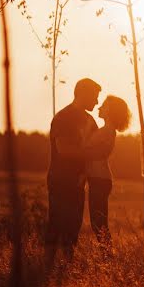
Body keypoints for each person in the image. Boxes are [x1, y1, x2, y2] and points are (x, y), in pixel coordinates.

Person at [45, 77, 100, 269]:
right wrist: (91, 154)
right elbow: (64, 150)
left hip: (78, 182)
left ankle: (66, 269)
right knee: (57, 224)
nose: (97, 102)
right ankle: (47, 269)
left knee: (73, 227)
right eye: (94, 97)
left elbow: (98, 147)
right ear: (83, 94)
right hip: (60, 179)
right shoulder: (64, 117)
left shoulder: (90, 120)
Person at [83, 95, 131, 246]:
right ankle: (107, 255)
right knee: (98, 222)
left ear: (110, 111)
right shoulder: (105, 130)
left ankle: (108, 256)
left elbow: (85, 149)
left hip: (100, 180)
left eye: (103, 105)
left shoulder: (106, 131)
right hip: (99, 179)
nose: (99, 107)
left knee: (98, 223)